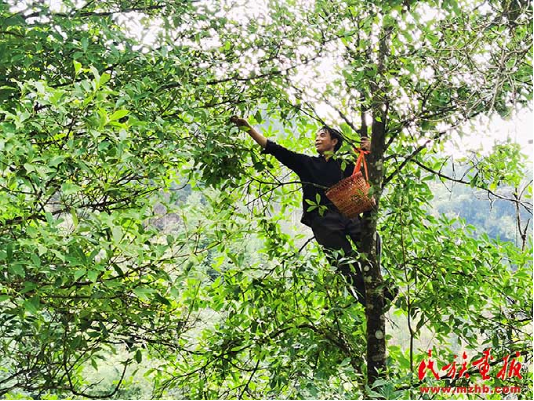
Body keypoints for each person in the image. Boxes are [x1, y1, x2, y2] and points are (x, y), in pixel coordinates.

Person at [230, 116, 396, 308]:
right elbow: (275, 149)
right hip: (323, 222)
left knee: (373, 240)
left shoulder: (345, 165)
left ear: (334, 141)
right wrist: (248, 128)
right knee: (346, 264)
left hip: (347, 215)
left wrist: (371, 151)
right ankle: (370, 302)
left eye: (322, 135)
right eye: (316, 136)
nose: (317, 138)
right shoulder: (307, 164)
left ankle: (381, 287)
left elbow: (369, 179)